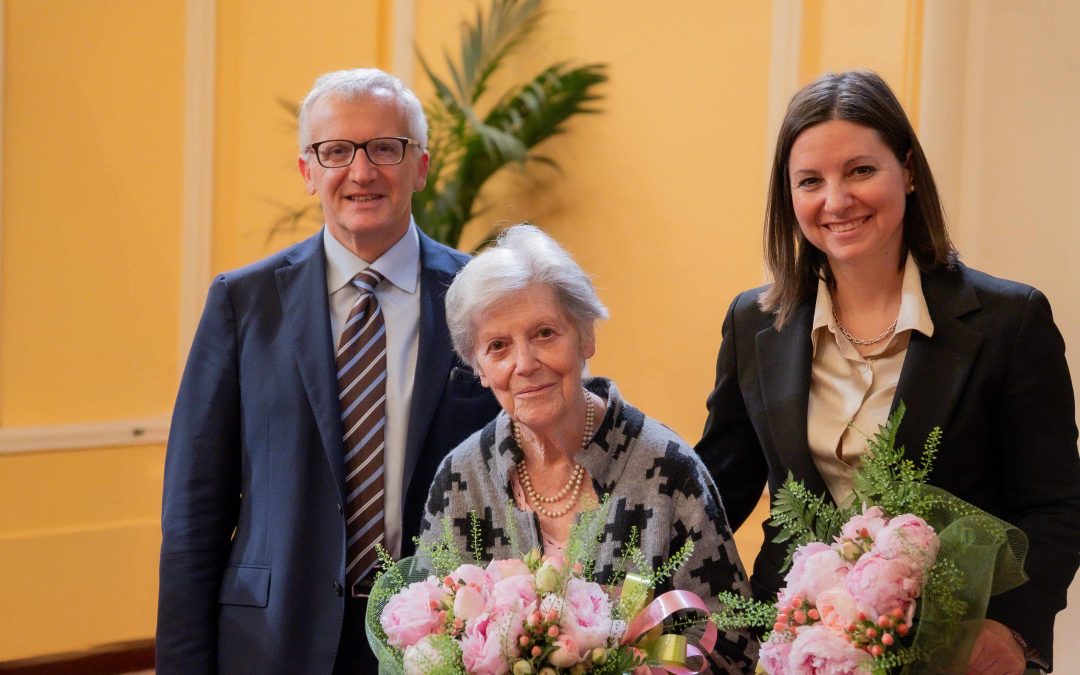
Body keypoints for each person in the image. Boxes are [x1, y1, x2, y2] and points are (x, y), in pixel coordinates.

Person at [696, 69, 1080, 673]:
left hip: (955, 651)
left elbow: (1056, 505)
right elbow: (714, 492)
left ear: (907, 170)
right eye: (810, 182)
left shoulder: (1012, 321)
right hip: (796, 650)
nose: (836, 200)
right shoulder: (754, 323)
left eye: (861, 170)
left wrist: (1012, 632)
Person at [157, 68, 500, 674]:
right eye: (335, 150)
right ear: (307, 171)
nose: (361, 172)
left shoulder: (482, 297)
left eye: (385, 149)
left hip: (449, 638)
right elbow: (194, 510)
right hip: (273, 636)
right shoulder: (243, 302)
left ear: (419, 166)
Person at [418, 224, 758, 672]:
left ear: (586, 338)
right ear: (479, 367)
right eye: (498, 346)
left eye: (544, 333)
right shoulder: (460, 481)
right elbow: (427, 640)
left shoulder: (667, 471)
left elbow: (731, 641)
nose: (525, 364)